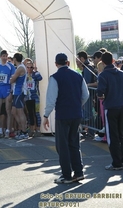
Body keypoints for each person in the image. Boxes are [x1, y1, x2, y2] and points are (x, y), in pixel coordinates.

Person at [43, 53, 89, 184]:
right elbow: (85, 95)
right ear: (68, 62)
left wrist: (46, 116)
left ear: (56, 64)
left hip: (63, 115)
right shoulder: (78, 75)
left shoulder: (55, 78)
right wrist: (77, 104)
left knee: (62, 146)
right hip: (76, 114)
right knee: (74, 144)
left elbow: (51, 100)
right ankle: (79, 172)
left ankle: (66, 175)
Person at [96, 51, 123, 170]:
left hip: (111, 108)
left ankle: (116, 163)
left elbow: (100, 93)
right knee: (122, 134)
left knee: (113, 136)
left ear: (102, 61)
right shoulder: (121, 73)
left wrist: (101, 95)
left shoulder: (102, 75)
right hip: (122, 107)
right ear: (113, 60)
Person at [0, 50, 16, 138]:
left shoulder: (10, 66)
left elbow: (13, 80)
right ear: (0, 57)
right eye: (3, 56)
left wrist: (11, 91)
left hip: (7, 88)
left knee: (8, 110)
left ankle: (8, 130)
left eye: (6, 56)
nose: (5, 58)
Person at [10, 53, 28, 140]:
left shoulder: (20, 67)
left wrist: (11, 78)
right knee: (14, 111)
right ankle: (21, 127)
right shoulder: (20, 67)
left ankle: (24, 131)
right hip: (16, 91)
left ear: (15, 59)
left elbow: (12, 80)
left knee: (20, 111)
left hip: (19, 91)